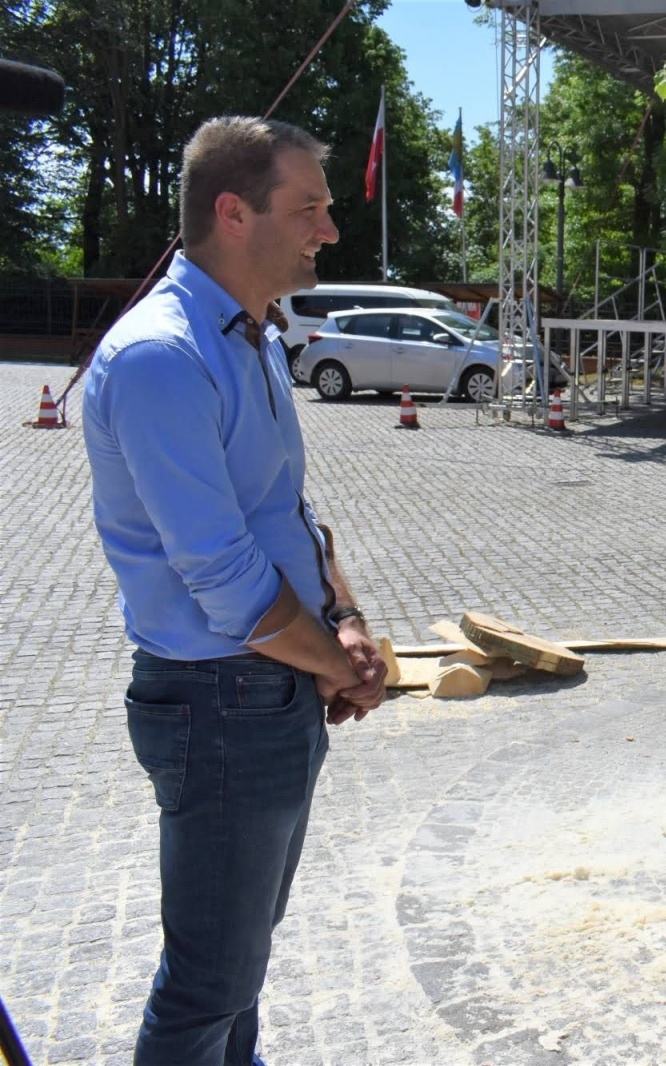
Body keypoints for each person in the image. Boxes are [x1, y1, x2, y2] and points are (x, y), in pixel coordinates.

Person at [81, 116, 386, 1066]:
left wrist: (349, 620)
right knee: (210, 977)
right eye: (310, 209)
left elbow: (285, 517)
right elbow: (223, 580)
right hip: (222, 699)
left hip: (265, 687)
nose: (329, 231)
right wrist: (336, 666)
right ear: (232, 212)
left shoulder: (249, 336)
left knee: (240, 965)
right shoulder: (161, 357)